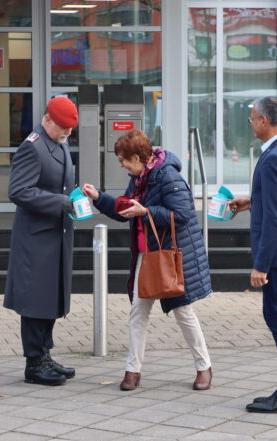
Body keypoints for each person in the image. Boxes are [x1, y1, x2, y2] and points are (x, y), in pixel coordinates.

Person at [82, 129, 213, 391]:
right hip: (147, 254)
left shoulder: (167, 176)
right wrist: (99, 198)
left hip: (170, 256)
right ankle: (133, 370)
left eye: (123, 160)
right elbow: (125, 210)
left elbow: (184, 214)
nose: (121, 165)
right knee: (138, 312)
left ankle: (204, 367)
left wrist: (147, 211)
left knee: (183, 311)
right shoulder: (140, 178)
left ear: (139, 157)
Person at [228, 97, 277, 413]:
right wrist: (253, 201)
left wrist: (261, 265)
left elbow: (276, 218)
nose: (250, 123)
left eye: (251, 119)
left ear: (263, 120)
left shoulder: (274, 158)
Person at [3, 96, 78, 386]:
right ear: (47, 120)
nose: (67, 134)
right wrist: (60, 201)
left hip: (55, 234)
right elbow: (18, 191)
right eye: (63, 128)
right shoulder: (31, 147)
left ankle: (45, 353)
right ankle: (34, 363)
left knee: (51, 297)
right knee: (35, 301)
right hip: (36, 238)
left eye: (70, 130)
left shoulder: (58, 141)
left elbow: (60, 181)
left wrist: (76, 196)